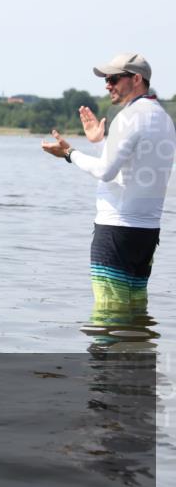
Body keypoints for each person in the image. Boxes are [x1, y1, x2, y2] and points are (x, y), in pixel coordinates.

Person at [42, 53, 175, 321]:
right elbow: (129, 172)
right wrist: (100, 141)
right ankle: (137, 358)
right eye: (106, 79)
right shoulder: (163, 118)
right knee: (135, 311)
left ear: (136, 79)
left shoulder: (129, 117)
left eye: (113, 78)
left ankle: (107, 363)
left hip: (116, 231)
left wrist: (70, 154)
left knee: (108, 314)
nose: (107, 85)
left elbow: (105, 171)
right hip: (146, 233)